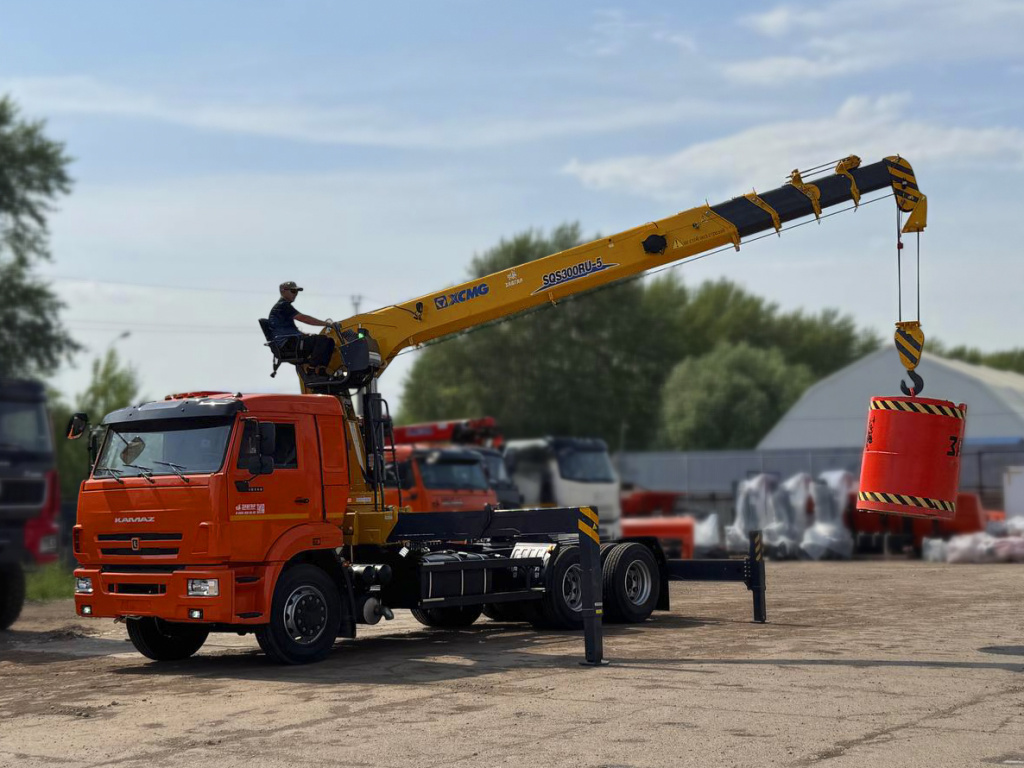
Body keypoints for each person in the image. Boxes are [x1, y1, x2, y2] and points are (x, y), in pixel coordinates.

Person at [268, 281, 336, 372]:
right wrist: (327, 324)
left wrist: (304, 335)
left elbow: (287, 330)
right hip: (289, 345)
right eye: (293, 291)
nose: (295, 294)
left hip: (290, 343)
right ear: (283, 291)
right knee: (322, 340)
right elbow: (304, 318)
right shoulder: (283, 306)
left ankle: (322, 371)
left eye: (296, 292)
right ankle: (311, 371)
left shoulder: (282, 307)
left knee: (330, 341)